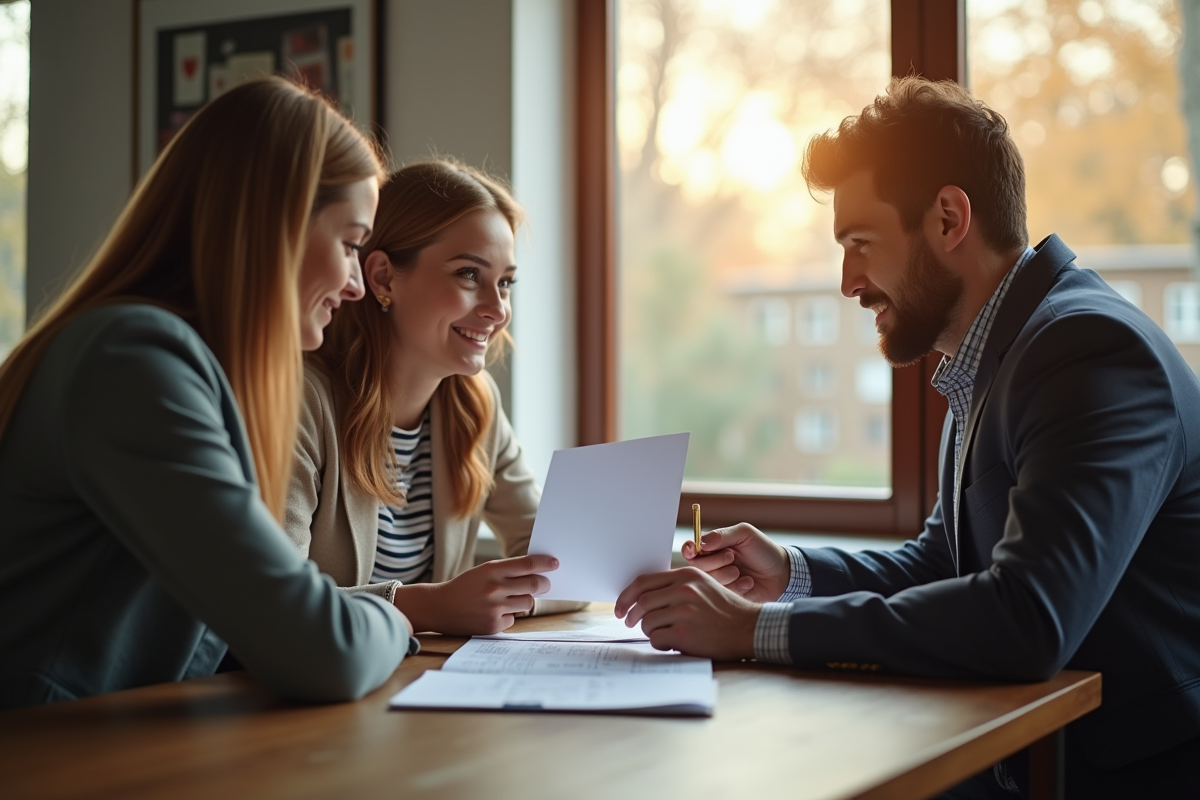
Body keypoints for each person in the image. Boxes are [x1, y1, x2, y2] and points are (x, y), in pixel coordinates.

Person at [615, 77, 1200, 798]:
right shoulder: (996, 354)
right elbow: (944, 562)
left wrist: (751, 630)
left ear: (950, 218)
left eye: (860, 242)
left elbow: (1027, 618)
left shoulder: (1088, 352)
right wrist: (789, 572)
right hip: (1025, 756)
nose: (846, 281)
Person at [0, 78, 416, 710]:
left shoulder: (174, 363)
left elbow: (254, 624)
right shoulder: (132, 363)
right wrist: (404, 621)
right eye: (351, 244)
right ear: (274, 225)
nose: (357, 285)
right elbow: (322, 652)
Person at [286, 159, 582, 637]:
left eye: (505, 282)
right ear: (382, 278)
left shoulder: (475, 404)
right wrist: (432, 607)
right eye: (469, 274)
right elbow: (273, 601)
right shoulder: (303, 402)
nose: (498, 310)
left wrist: (496, 601)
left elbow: (565, 563)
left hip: (420, 686)